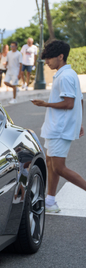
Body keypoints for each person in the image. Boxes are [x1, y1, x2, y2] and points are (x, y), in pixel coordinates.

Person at [31, 40, 85, 213]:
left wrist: (44, 104)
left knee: (59, 167)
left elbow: (69, 103)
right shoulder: (67, 74)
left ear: (60, 56)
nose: (46, 62)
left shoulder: (65, 76)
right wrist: (79, 122)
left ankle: (51, 201)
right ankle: (50, 201)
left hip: (60, 128)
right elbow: (80, 100)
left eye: (49, 58)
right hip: (57, 127)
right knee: (50, 163)